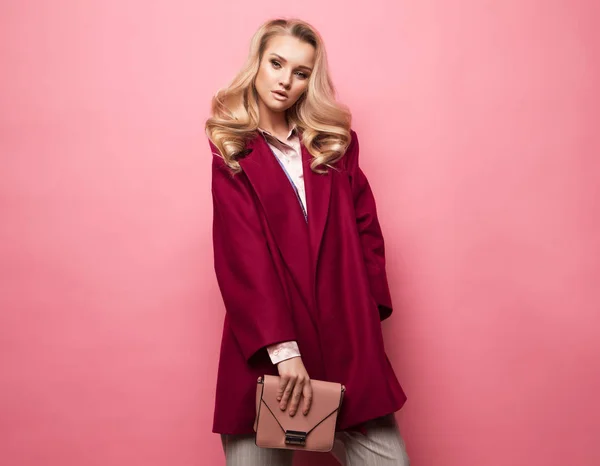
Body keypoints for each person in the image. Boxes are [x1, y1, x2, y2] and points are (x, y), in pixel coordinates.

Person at [205, 17, 410, 466]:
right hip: (266, 351)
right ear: (257, 64)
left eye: (300, 72)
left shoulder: (334, 145)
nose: (285, 80)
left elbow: (366, 230)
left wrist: (366, 314)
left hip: (346, 344)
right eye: (276, 63)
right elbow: (243, 257)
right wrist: (284, 352)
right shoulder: (232, 151)